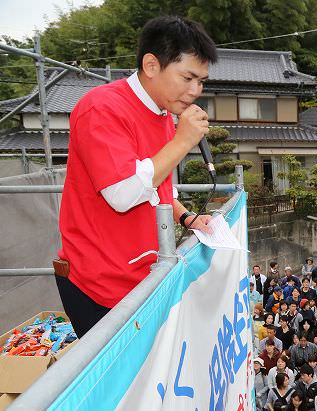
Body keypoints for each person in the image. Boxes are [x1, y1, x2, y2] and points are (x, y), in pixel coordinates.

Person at [55, 16, 218, 337]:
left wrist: (186, 217)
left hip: (139, 276)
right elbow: (123, 193)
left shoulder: (161, 112)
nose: (195, 91)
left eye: (201, 81)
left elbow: (153, 185)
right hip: (99, 284)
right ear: (151, 65)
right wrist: (182, 141)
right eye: (187, 77)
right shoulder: (101, 108)